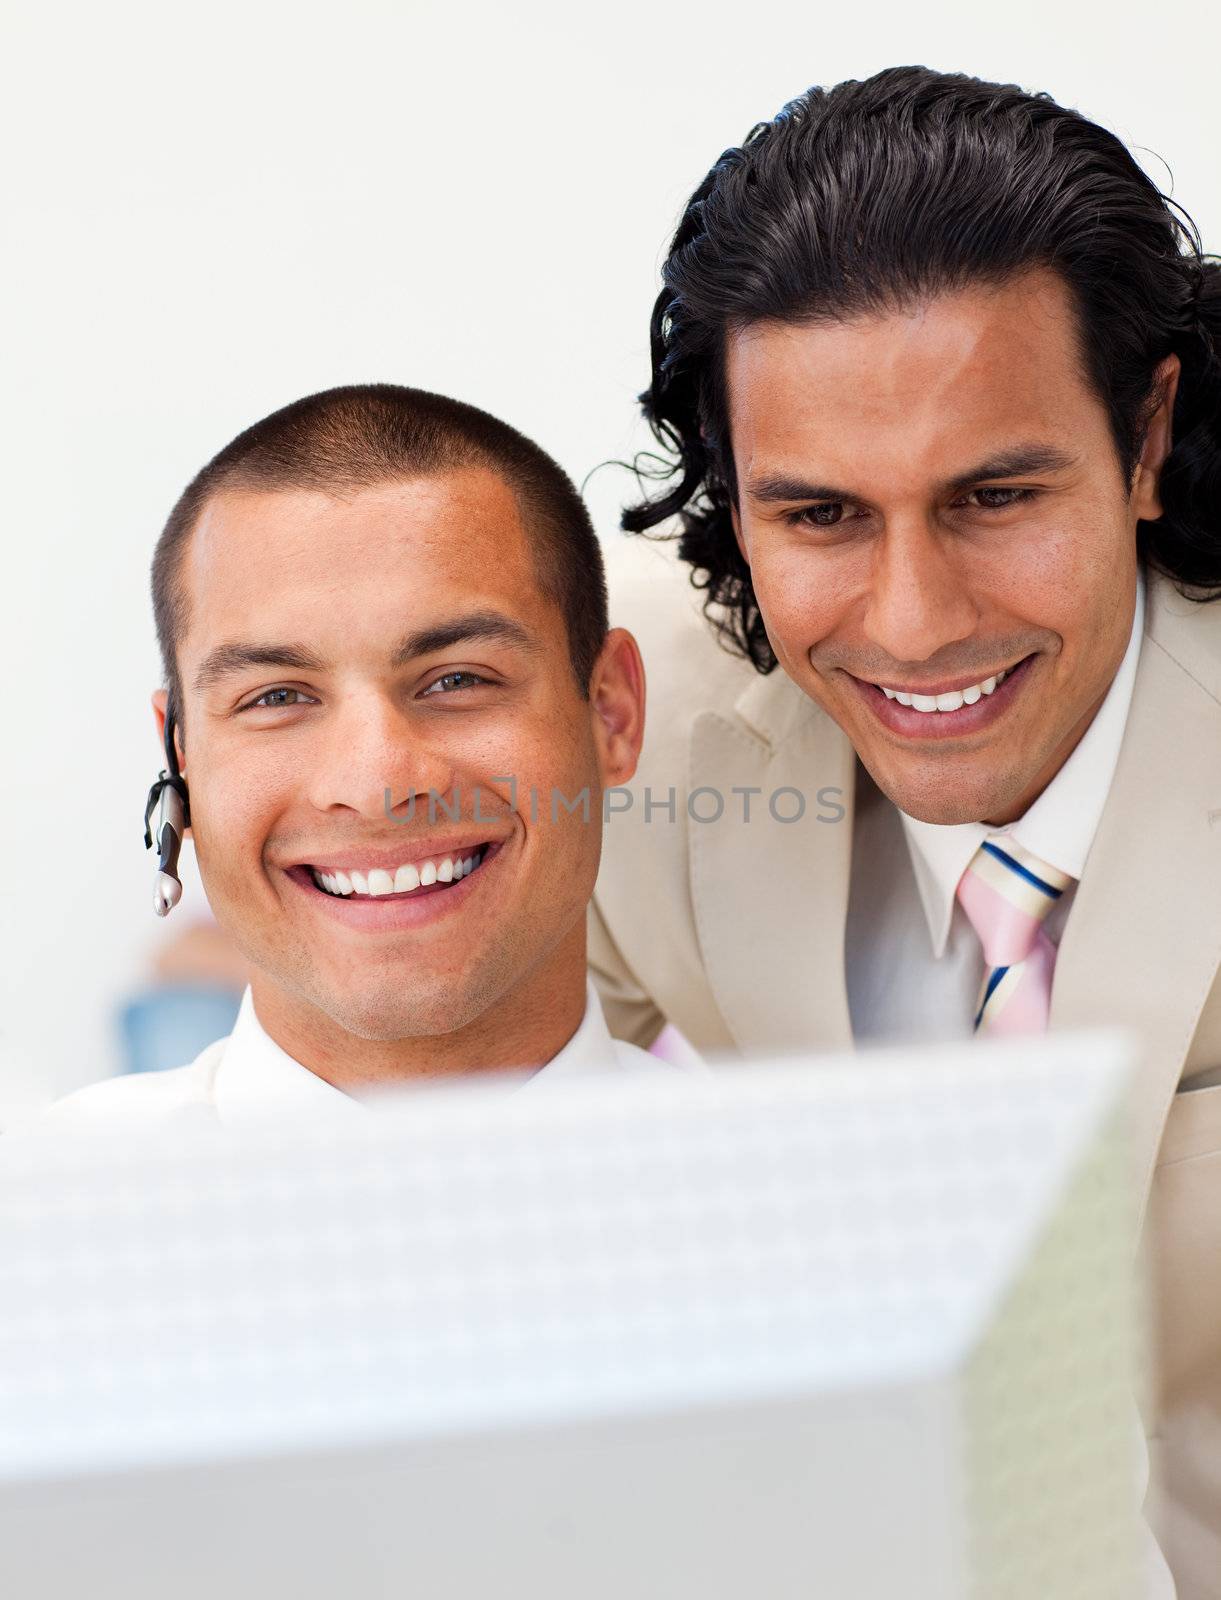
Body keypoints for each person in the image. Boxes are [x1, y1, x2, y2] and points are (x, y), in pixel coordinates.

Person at [589, 67, 1221, 1596]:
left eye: (995, 494)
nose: (915, 623)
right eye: (816, 517)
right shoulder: (624, 731)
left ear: (1146, 440)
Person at [36, 381, 664, 1128]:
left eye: (457, 680)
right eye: (275, 697)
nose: (375, 784)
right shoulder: (41, 1214)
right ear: (182, 762)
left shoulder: (808, 1194)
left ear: (610, 717)